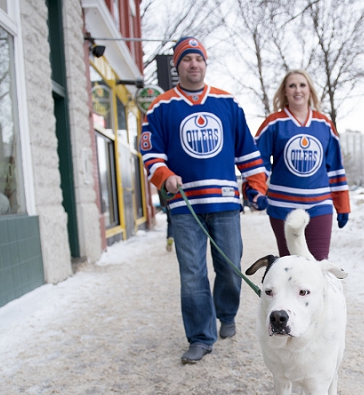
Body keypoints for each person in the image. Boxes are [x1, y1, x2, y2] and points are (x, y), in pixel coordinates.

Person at [140, 37, 266, 364]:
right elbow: (150, 153)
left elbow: (248, 152)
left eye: (198, 59)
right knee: (192, 273)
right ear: (177, 65)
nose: (193, 64)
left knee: (228, 267)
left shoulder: (227, 103)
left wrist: (256, 185)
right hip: (185, 208)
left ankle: (227, 313)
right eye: (186, 59)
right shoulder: (161, 107)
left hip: (225, 203)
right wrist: (164, 175)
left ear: (205, 64)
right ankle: (200, 336)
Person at [243, 70, 350, 261]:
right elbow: (259, 163)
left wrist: (343, 205)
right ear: (285, 92)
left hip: (319, 206)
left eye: (302, 85)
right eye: (292, 85)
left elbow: (335, 168)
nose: (297, 90)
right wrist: (255, 192)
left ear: (310, 90)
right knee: (291, 266)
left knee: (318, 265)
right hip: (283, 207)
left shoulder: (324, 124)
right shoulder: (273, 123)